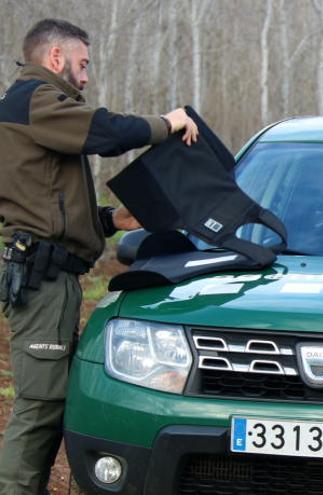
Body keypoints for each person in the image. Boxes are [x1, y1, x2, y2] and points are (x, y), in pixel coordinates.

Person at [0, 18, 198, 494]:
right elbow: (105, 132)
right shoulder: (34, 100)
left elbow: (49, 200)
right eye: (82, 64)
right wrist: (166, 124)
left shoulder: (38, 109)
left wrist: (110, 220)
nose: (85, 76)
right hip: (41, 280)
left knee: (50, 401)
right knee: (38, 404)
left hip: (53, 276)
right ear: (55, 58)